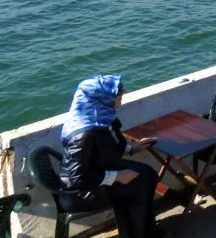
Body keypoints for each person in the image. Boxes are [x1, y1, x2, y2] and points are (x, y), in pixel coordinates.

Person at [59, 76, 162, 238]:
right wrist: (116, 177)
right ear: (100, 99)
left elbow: (107, 147)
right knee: (138, 184)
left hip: (99, 170)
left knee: (148, 174)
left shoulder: (102, 118)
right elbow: (76, 179)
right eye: (117, 96)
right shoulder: (83, 133)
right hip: (81, 191)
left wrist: (132, 148)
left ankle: (145, 230)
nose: (121, 99)